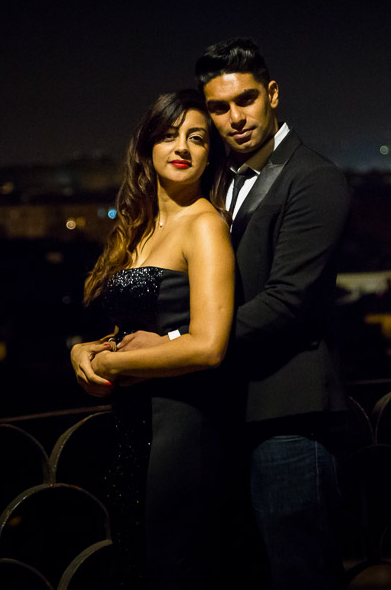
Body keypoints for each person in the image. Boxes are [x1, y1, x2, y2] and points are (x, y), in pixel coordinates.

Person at [118, 38, 351, 589]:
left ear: (272, 94)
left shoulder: (313, 179)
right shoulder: (219, 179)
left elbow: (286, 302)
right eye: (219, 108)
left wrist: (177, 339)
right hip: (226, 418)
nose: (234, 118)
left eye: (245, 100)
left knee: (303, 575)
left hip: (289, 418)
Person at [69, 89, 235, 589]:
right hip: (132, 431)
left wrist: (115, 368)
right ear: (147, 149)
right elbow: (138, 328)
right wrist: (84, 351)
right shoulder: (139, 227)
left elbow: (209, 345)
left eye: (196, 138)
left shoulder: (204, 225)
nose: (181, 147)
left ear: (210, 155)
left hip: (179, 430)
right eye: (168, 135)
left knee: (169, 571)